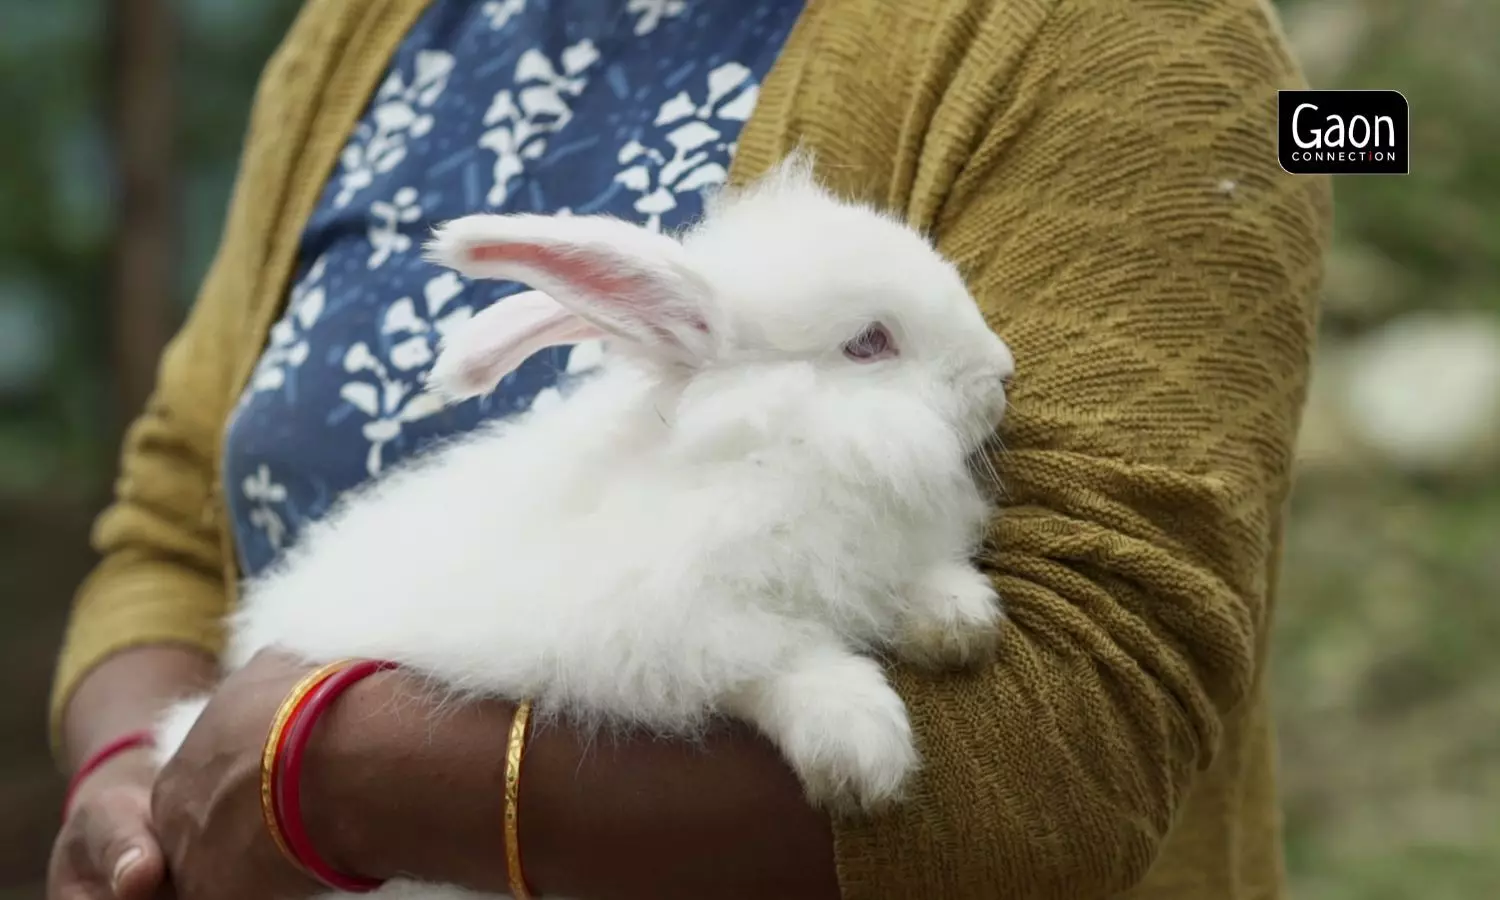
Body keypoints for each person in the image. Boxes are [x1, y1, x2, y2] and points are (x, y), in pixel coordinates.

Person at [45, 1, 1333, 899]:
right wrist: (131, 790)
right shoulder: (363, 27)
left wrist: (334, 770)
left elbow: (1082, 738)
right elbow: (172, 510)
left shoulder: (1129, 39)